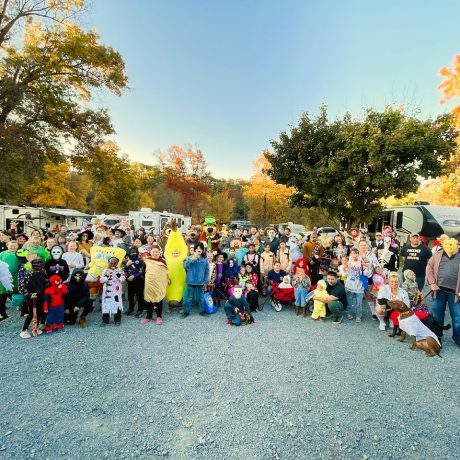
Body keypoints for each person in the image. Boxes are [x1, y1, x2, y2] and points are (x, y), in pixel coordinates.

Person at [426, 237, 460, 346]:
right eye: (446, 244)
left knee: (458, 317)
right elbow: (429, 268)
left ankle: (457, 338)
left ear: (457, 245)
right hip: (438, 291)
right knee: (437, 315)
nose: (448, 247)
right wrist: (432, 283)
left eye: (451, 245)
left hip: (455, 294)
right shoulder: (437, 255)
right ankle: (437, 336)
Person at [20, 258, 47, 338]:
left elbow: (45, 283)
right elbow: (22, 286)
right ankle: (24, 330)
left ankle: (36, 327)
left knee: (38, 312)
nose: (38, 266)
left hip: (40, 296)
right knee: (31, 314)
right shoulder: (28, 273)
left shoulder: (43, 273)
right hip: (31, 297)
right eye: (36, 264)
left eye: (40, 264)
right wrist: (29, 294)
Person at [142, 244, 168, 325]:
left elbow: (166, 272)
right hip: (149, 283)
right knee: (149, 300)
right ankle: (148, 316)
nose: (155, 253)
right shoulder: (146, 261)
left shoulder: (163, 261)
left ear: (159, 252)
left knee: (159, 299)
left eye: (157, 252)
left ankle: (159, 316)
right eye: (153, 252)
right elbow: (143, 272)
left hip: (159, 283)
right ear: (150, 252)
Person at [345, 248, 372, 323]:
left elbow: (367, 274)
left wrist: (366, 268)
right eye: (353, 253)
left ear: (358, 254)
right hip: (350, 285)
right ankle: (349, 313)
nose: (354, 255)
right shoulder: (348, 263)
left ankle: (358, 315)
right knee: (349, 301)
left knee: (359, 302)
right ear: (350, 254)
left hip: (359, 285)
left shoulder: (362, 263)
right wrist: (345, 268)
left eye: (356, 253)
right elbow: (345, 274)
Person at [182, 242, 209, 318]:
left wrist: (206, 280)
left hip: (201, 282)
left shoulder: (205, 259)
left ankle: (201, 311)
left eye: (200, 248)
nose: (199, 250)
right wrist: (191, 260)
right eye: (197, 248)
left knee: (201, 297)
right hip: (191, 281)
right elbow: (185, 266)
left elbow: (207, 270)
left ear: (202, 250)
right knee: (189, 297)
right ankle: (186, 311)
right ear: (195, 250)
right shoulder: (189, 257)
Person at [100, 256, 125, 326]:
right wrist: (107, 277)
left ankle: (117, 320)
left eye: (115, 263)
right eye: (111, 263)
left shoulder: (120, 270)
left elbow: (122, 279)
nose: (113, 264)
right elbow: (101, 280)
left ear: (117, 263)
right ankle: (105, 320)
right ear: (109, 263)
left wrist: (117, 273)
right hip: (107, 292)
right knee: (106, 305)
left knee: (117, 305)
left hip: (116, 292)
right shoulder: (105, 270)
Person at [123, 246, 145, 317]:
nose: (133, 254)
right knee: (130, 296)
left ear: (137, 252)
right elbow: (124, 271)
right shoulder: (127, 261)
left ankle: (140, 309)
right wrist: (126, 266)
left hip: (139, 280)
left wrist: (134, 276)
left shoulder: (140, 260)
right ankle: (131, 308)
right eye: (131, 252)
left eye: (135, 252)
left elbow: (141, 271)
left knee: (139, 295)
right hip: (129, 281)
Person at [0, 240, 19, 320]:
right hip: (4, 277)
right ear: (7, 245)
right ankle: (2, 313)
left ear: (17, 246)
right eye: (11, 245)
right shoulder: (2, 254)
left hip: (16, 276)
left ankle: (22, 310)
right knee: (2, 296)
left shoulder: (19, 253)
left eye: (15, 246)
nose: (13, 247)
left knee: (18, 293)